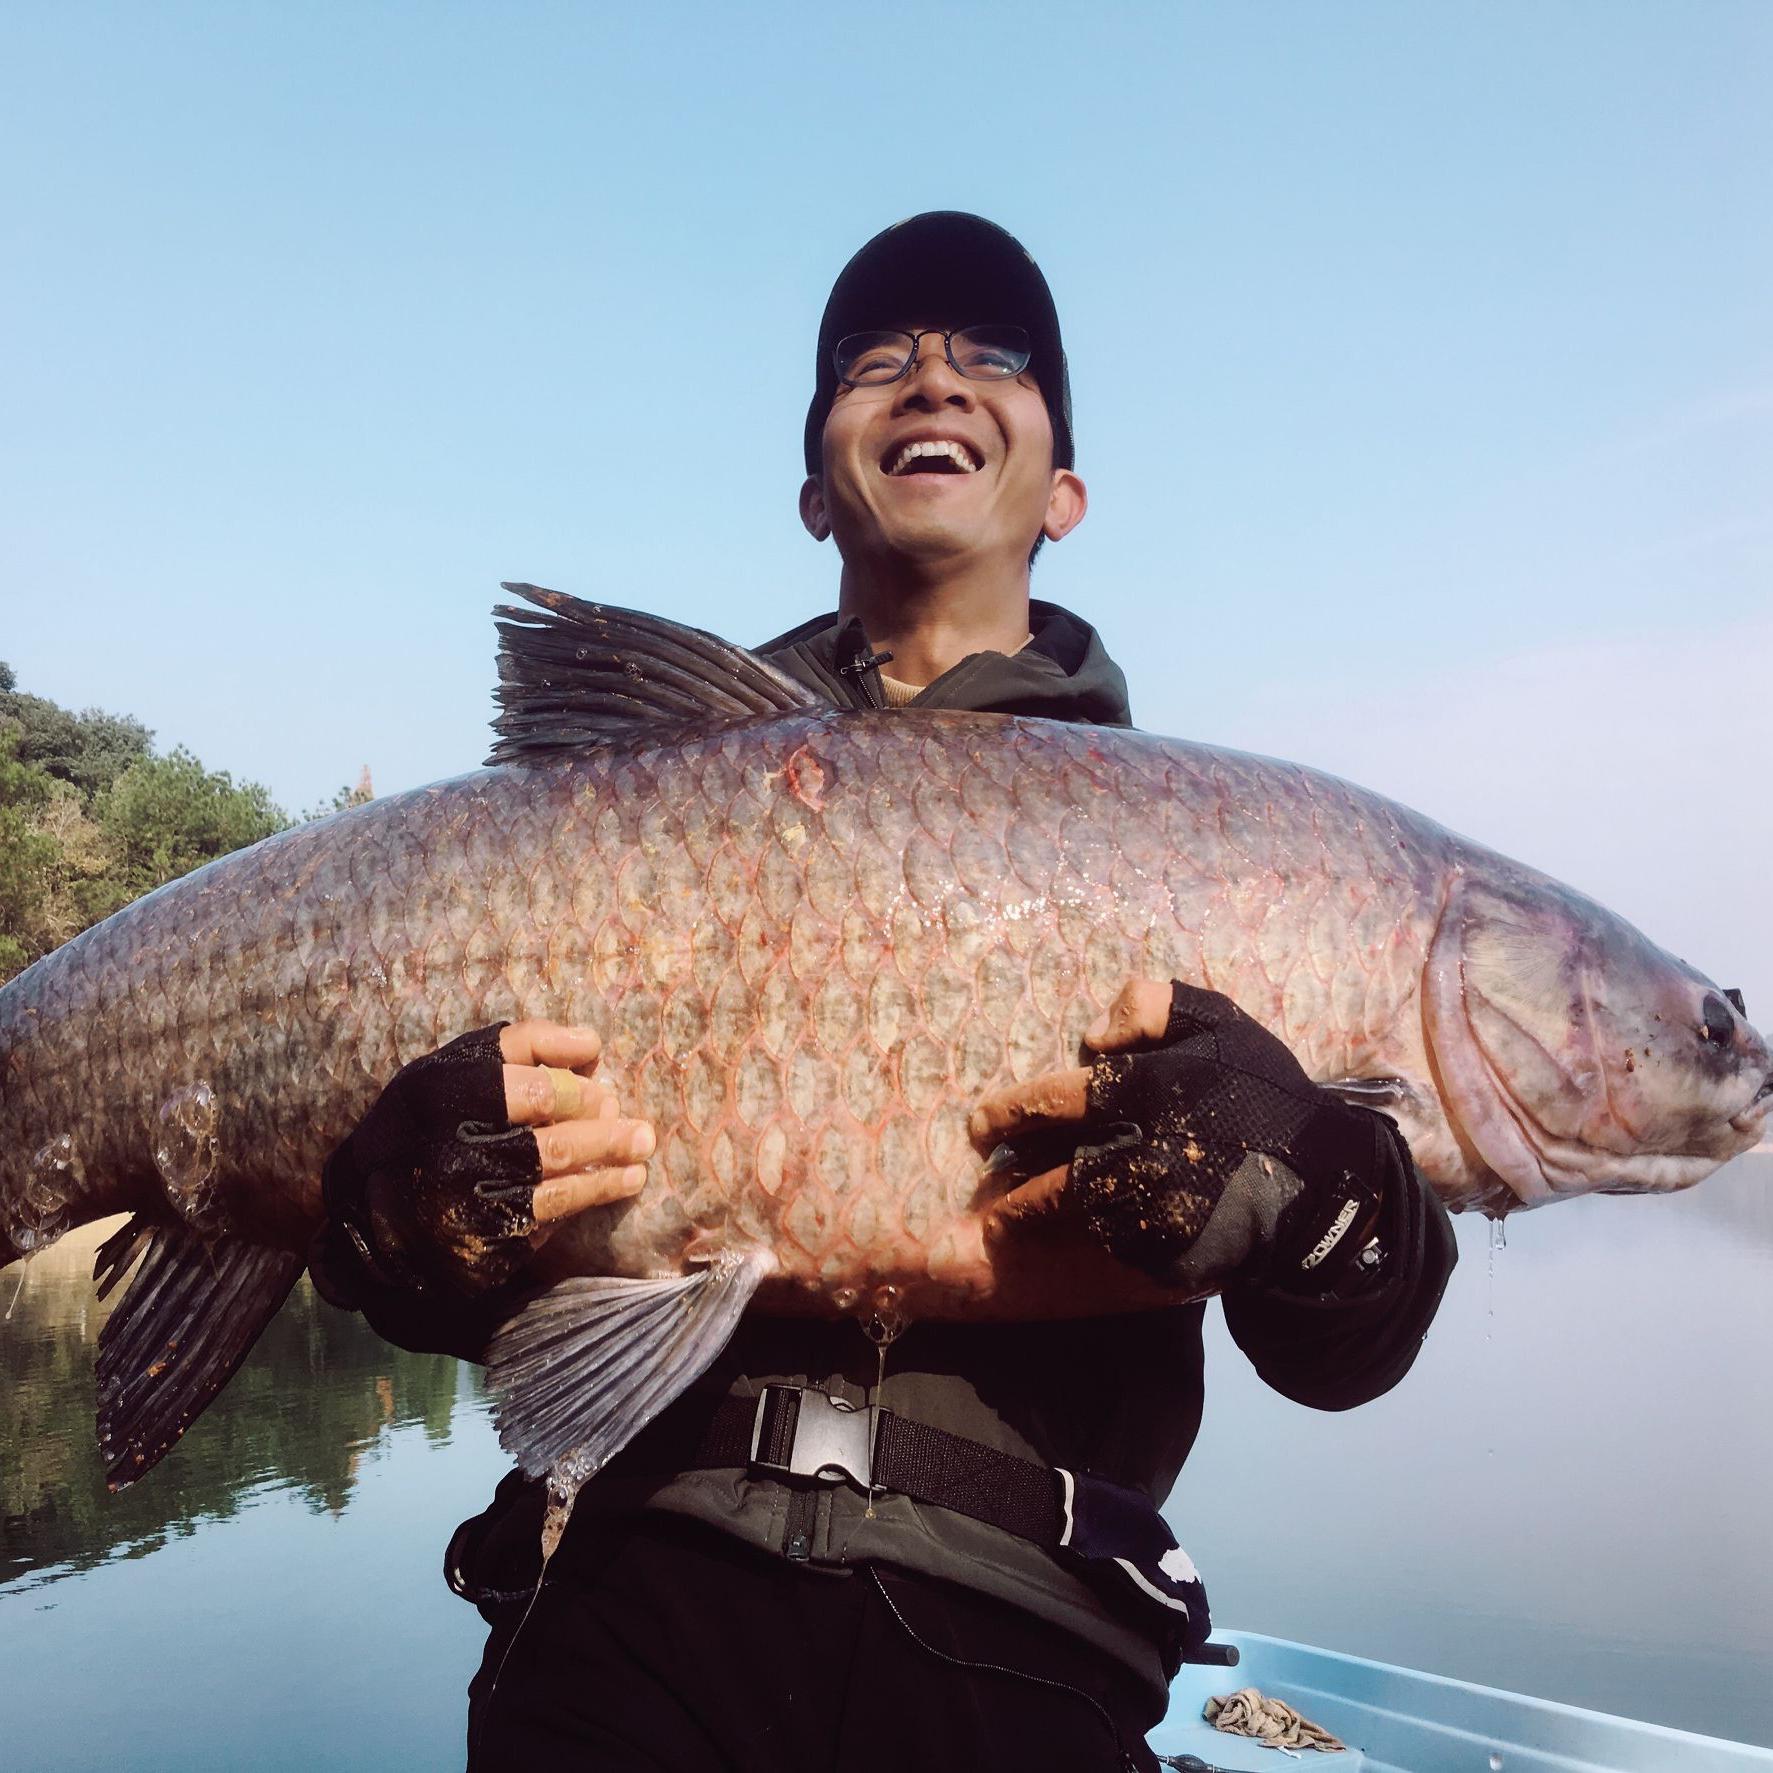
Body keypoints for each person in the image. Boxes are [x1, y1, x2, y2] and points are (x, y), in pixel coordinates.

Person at [309, 212, 1457, 1772]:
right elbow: (458, 1302)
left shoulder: (1237, 857)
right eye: (874, 358)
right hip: (635, 1580)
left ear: (1062, 488)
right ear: (810, 488)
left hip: (1025, 1629)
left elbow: (1343, 1348)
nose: (932, 376)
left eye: (995, 356)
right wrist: (399, 1232)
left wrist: (1326, 1190)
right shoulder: (632, 812)